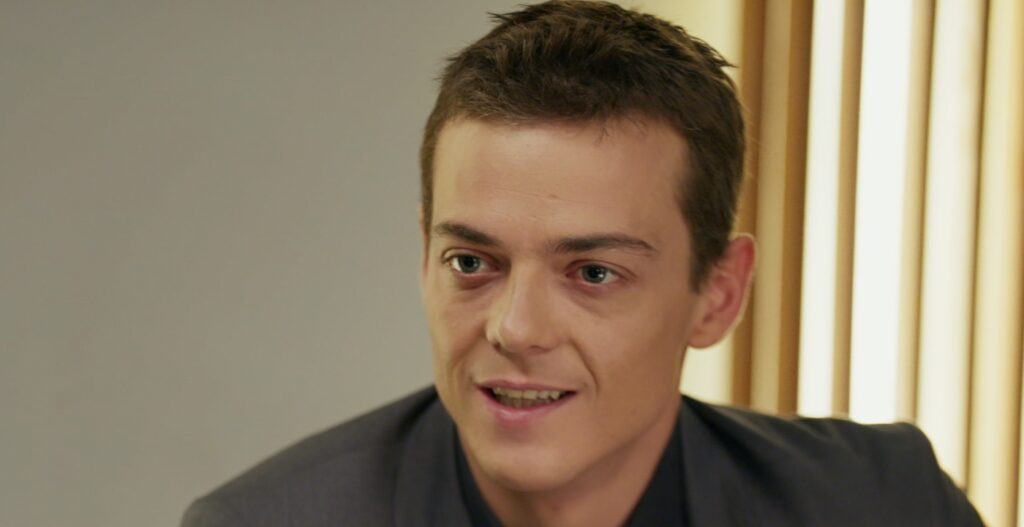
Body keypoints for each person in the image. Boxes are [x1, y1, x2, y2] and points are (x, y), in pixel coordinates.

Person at [182, 1, 984, 525]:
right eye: (472, 261)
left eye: (593, 272)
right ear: (424, 257)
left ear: (718, 293)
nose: (515, 328)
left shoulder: (884, 504)